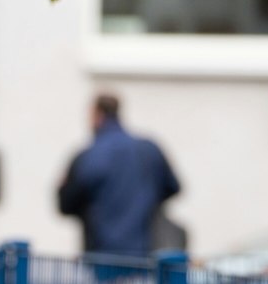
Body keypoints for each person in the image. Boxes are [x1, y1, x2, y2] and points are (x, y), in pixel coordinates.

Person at [56, 93, 181, 272]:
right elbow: (173, 187)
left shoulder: (87, 157)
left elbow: (65, 204)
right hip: (146, 258)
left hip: (101, 260)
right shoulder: (149, 150)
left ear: (97, 115)